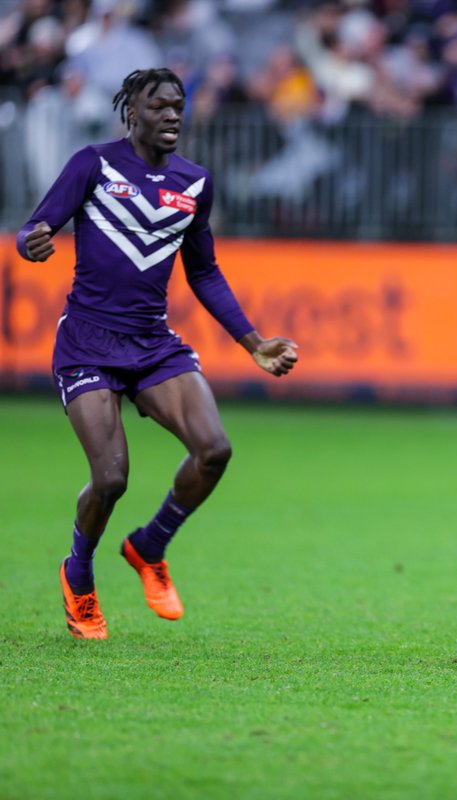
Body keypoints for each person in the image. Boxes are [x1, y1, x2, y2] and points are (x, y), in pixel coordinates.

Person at [14, 68, 298, 640]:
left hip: (151, 343)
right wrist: (32, 242)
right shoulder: (94, 164)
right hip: (88, 342)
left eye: (178, 106)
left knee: (215, 449)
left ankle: (149, 546)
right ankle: (79, 571)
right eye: (159, 106)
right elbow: (34, 228)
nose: (172, 115)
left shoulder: (194, 184)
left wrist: (253, 342)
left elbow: (205, 272)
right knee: (112, 478)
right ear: (132, 114)